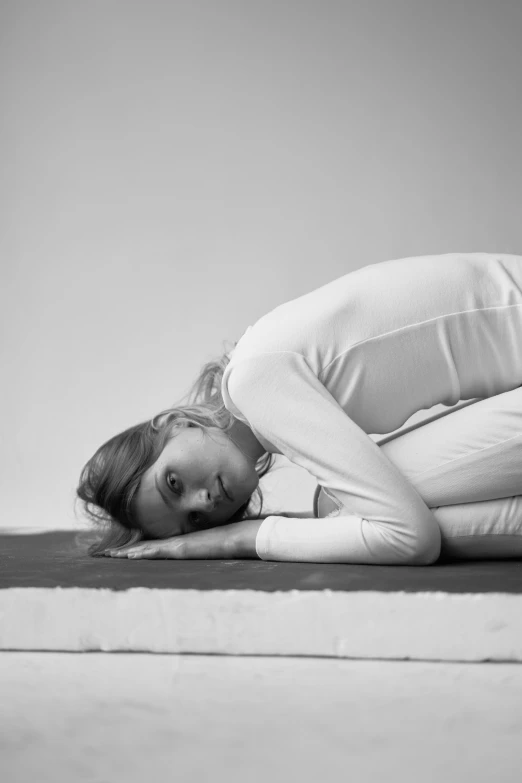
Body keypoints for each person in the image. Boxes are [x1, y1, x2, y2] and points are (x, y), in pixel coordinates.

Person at [77, 252, 522, 565]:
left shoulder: (253, 381)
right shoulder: (255, 375)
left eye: (173, 483)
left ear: (172, 424)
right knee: (339, 508)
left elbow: (412, 540)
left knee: (352, 514)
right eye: (195, 520)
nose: (204, 502)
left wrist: (240, 539)